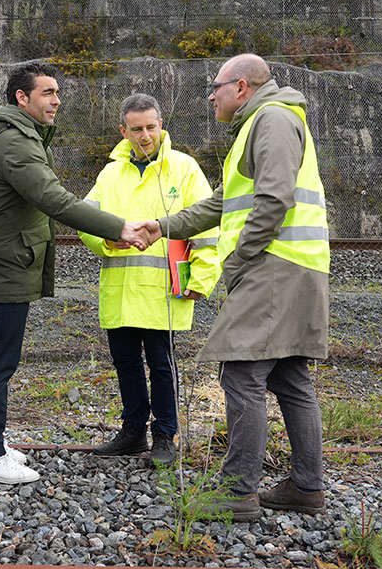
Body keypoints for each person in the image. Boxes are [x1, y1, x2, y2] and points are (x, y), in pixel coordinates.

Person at [137, 53, 330, 521]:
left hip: (273, 266)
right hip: (294, 265)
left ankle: (237, 491)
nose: (211, 94)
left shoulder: (273, 120)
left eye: (216, 86)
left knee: (242, 374)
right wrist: (164, 225)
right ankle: (307, 486)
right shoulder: (261, 124)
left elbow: (275, 199)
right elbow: (222, 203)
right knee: (288, 375)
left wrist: (241, 258)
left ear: (241, 87)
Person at [0, 61, 150, 485]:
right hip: (3, 267)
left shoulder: (19, 136)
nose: (57, 100)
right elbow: (55, 199)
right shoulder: (15, 142)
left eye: (57, 92)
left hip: (4, 262)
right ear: (21, 98)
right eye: (48, 92)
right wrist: (118, 226)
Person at [79, 93, 220, 465]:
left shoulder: (184, 169)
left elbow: (207, 226)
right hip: (122, 290)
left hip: (163, 292)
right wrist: (104, 239)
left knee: (161, 365)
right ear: (122, 131)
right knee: (125, 363)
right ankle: (132, 432)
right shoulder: (110, 173)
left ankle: (164, 437)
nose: (145, 136)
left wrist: (203, 277)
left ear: (162, 126)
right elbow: (85, 219)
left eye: (151, 127)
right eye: (136, 129)